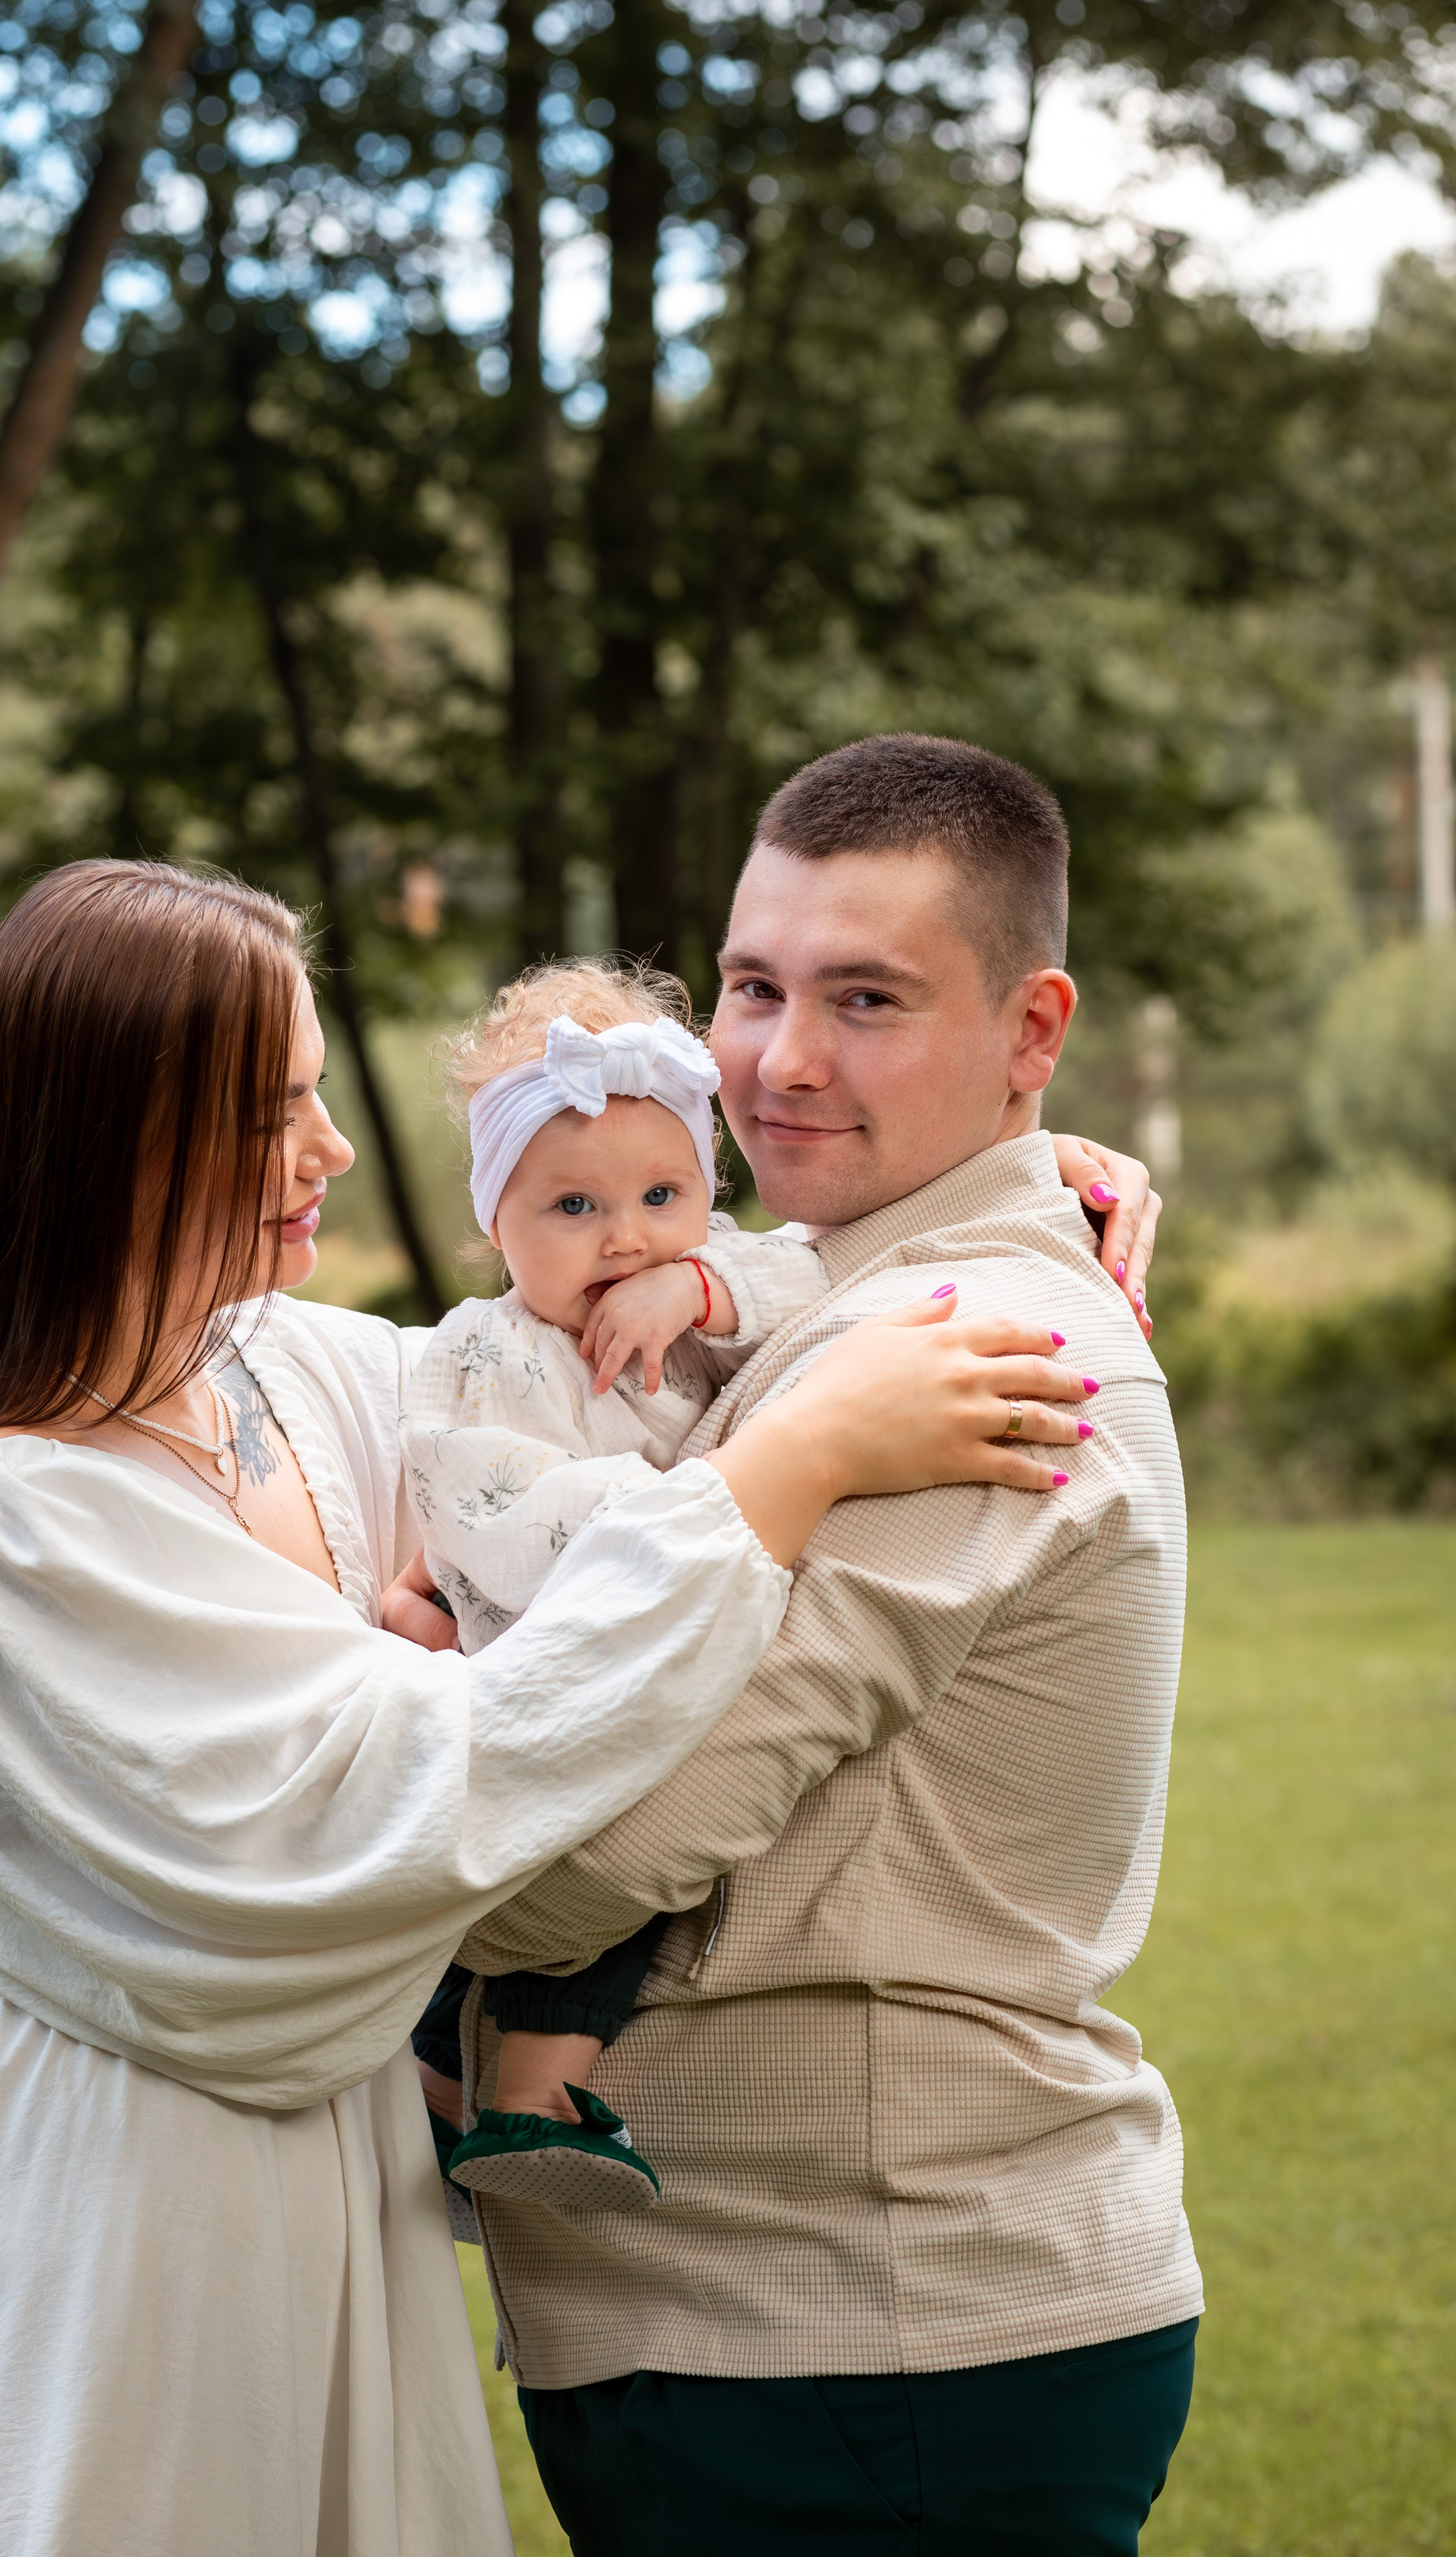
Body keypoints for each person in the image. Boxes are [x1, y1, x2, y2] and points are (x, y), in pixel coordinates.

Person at [0, 856, 1100, 2557]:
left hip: (334, 2196)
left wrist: (1009, 1179)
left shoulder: (275, 1369)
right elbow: (389, 1806)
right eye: (277, 1109)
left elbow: (561, 1356)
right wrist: (786, 1473)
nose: (330, 1148)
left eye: (319, 1092)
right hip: (119, 2239)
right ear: (116, 1136)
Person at [456, 733, 1201, 2557]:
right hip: (771, 2321)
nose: (782, 1062)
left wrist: (334, 1832)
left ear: (1035, 1032)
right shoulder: (840, 1301)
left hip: (873, 2334)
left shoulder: (975, 1355)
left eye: (866, 999)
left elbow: (589, 1857)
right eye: (754, 985)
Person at [397, 958, 1143, 2219]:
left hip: (667, 1659)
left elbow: (832, 1269)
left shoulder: (715, 1306)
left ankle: (514, 2089)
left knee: (650, 1878)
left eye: (662, 1194)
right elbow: (494, 1511)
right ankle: (463, 2082)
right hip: (540, 1655)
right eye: (572, 1206)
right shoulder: (481, 1355)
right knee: (596, 1865)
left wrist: (702, 1282)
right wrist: (729, 1500)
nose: (624, 1233)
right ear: (494, 1225)